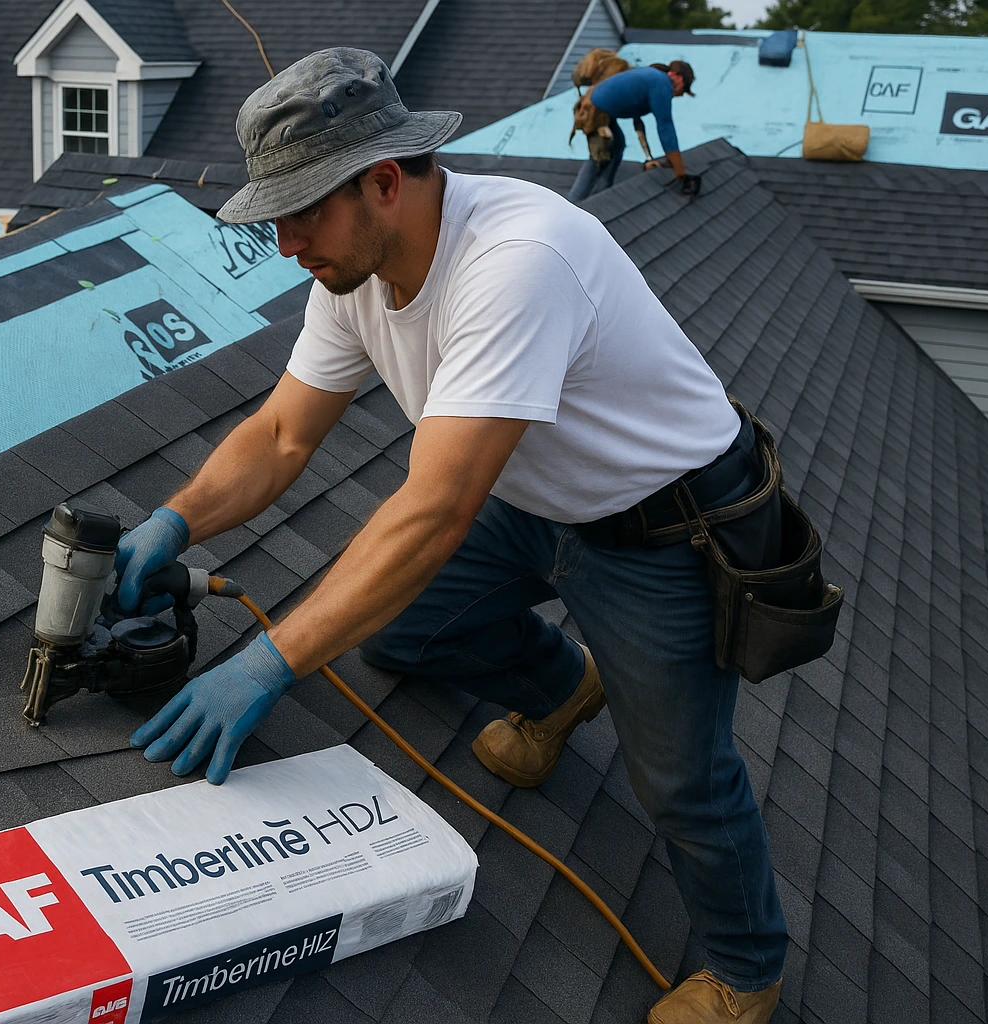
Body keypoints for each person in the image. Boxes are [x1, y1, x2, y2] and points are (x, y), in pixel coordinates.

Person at [115, 47, 785, 1024]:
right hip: (533, 492)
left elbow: (432, 513)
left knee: (681, 775)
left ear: (384, 181)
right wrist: (177, 518)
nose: (285, 240)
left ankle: (746, 968)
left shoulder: (516, 262)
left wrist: (264, 664)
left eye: (300, 212)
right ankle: (566, 685)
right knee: (402, 633)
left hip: (664, 529)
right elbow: (282, 433)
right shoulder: (351, 273)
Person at [569, 60, 695, 204]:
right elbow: (666, 127)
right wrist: (681, 174)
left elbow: (636, 110)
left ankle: (602, 195)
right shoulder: (662, 84)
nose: (679, 95)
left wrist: (668, 159)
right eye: (683, 89)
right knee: (599, 156)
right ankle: (574, 202)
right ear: (677, 76)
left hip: (599, 106)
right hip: (594, 111)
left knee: (618, 145)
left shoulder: (655, 78)